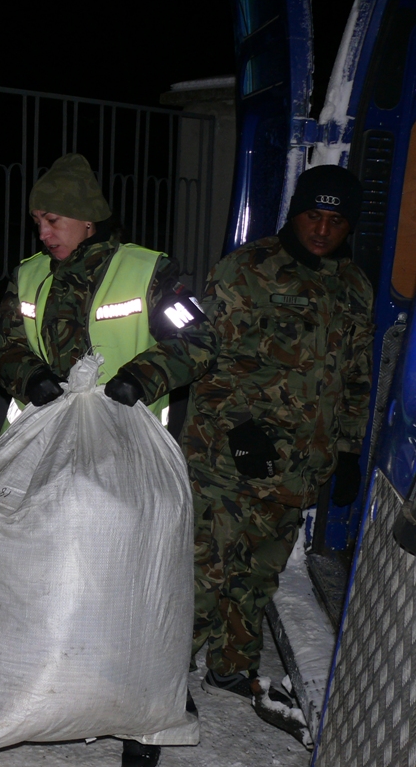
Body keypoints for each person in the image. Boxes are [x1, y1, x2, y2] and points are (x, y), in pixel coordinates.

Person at [0, 152, 218, 767]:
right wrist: (27, 376)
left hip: (128, 455)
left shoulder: (150, 272)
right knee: (53, 577)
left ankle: (147, 710)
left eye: (54, 219)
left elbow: (196, 338)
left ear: (88, 220)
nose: (43, 232)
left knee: (136, 584)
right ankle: (57, 691)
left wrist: (142, 378)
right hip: (47, 454)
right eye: (38, 220)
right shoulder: (30, 276)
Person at [182, 164, 374, 703]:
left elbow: (355, 375)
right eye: (314, 215)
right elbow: (206, 357)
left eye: (336, 220)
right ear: (296, 213)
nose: (321, 229)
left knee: (259, 569)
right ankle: (163, 680)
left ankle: (231, 666)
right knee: (203, 571)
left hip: (297, 464)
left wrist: (348, 450)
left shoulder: (354, 286)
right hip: (227, 458)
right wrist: (240, 429)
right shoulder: (247, 270)